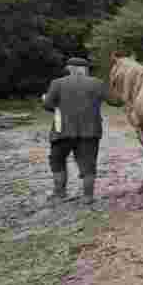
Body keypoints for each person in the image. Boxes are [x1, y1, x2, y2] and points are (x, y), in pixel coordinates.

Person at [42, 57, 107, 205]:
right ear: (84, 70)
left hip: (62, 132)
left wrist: (48, 101)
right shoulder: (97, 83)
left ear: (69, 69)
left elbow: (47, 105)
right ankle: (87, 197)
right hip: (90, 132)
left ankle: (59, 194)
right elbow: (114, 101)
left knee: (57, 161)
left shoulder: (57, 83)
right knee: (89, 164)